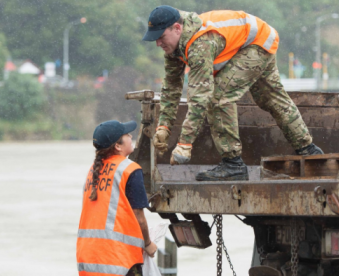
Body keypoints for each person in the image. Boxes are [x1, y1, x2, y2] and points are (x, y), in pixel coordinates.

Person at [144, 6, 324, 181]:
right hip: (255, 39)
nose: (158, 43)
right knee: (270, 98)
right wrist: (164, 126)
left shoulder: (200, 44)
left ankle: (233, 164)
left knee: (219, 98)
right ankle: (309, 150)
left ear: (177, 28)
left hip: (255, 43)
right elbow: (171, 87)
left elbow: (200, 97)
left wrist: (184, 144)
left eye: (161, 37)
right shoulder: (174, 46)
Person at [76, 120, 157, 276]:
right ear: (118, 146)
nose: (130, 136)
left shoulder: (93, 171)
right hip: (119, 260)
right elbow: (139, 216)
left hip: (88, 258)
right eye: (127, 135)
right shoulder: (129, 169)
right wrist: (147, 243)